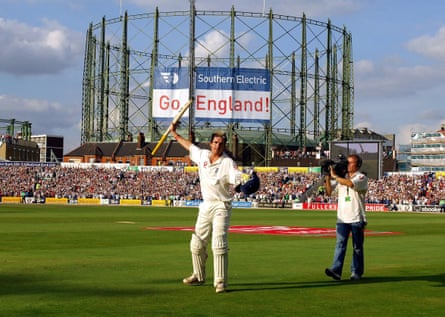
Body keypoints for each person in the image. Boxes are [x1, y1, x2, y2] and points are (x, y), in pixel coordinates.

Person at [169, 124, 256, 293]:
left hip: (221, 206)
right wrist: (174, 133)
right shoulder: (201, 155)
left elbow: (237, 181)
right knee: (196, 244)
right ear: (210, 144)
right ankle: (198, 275)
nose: (218, 145)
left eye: (221, 143)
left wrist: (243, 185)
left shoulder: (228, 163)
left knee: (218, 243)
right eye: (215, 142)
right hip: (206, 205)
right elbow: (188, 145)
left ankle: (220, 281)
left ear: (224, 146)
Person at [324, 153, 368, 281]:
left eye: (351, 162)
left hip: (356, 217)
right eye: (347, 162)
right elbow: (329, 192)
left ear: (358, 164)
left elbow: (350, 184)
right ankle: (336, 270)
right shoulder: (341, 178)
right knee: (340, 244)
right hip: (342, 218)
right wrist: (327, 177)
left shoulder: (361, 177)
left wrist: (335, 176)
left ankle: (356, 272)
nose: (348, 165)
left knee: (357, 247)